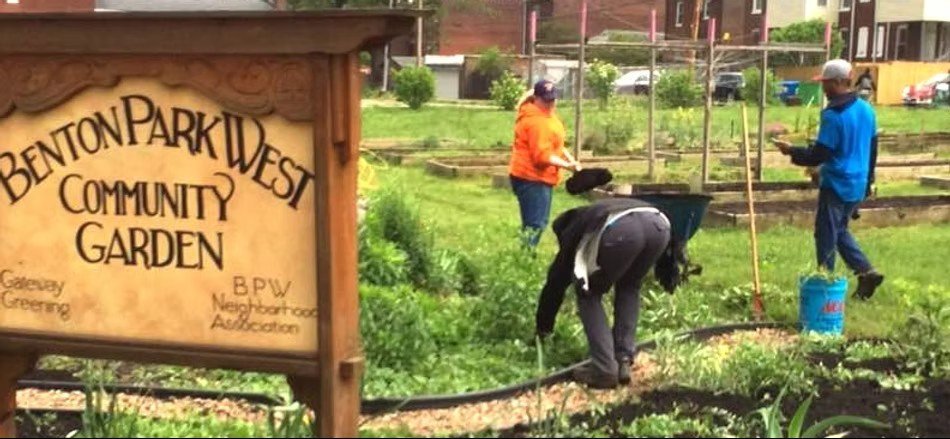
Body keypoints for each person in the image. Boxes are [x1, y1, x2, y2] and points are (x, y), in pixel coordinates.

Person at [535, 198, 684, 389]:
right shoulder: (598, 212)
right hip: (659, 224)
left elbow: (555, 283)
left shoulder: (575, 230)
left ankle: (604, 369)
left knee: (589, 293)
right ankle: (623, 358)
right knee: (630, 285)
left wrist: (542, 329)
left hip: (623, 230)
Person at [773, 59, 884, 300]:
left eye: (826, 84)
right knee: (840, 229)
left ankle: (826, 285)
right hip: (858, 182)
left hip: (837, 183)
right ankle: (866, 272)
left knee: (825, 234)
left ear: (839, 82)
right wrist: (869, 180)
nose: (823, 89)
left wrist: (791, 151)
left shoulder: (834, 115)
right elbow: (873, 147)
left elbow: (820, 154)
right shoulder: (866, 109)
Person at [509, 79, 582, 249]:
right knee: (534, 224)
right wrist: (568, 166)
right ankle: (524, 261)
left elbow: (556, 145)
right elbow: (541, 156)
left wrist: (570, 159)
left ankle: (524, 257)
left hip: (539, 177)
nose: (550, 104)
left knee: (536, 222)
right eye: (546, 100)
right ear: (536, 98)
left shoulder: (547, 116)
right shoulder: (536, 122)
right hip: (531, 178)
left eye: (553, 99)